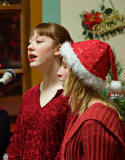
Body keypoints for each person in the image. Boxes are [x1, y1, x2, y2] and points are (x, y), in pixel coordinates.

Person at [8, 23, 72, 160]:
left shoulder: (71, 95)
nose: (29, 47)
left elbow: (70, 149)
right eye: (30, 42)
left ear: (58, 49)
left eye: (38, 41)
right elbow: (16, 146)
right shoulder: (29, 96)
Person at [57, 39, 125, 160]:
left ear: (80, 75)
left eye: (65, 67)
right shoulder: (83, 112)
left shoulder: (95, 122)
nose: (59, 72)